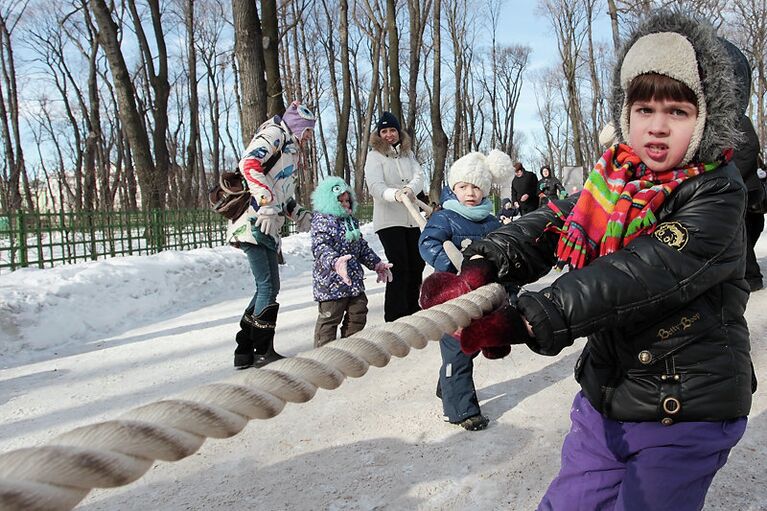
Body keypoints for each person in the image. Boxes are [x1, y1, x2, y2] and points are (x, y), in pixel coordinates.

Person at [421, 11, 754, 510]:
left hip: (683, 408)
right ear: (625, 113)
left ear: (706, 118)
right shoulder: (613, 180)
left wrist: (528, 319)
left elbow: (642, 272)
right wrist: (485, 263)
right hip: (607, 394)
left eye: (679, 111)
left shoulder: (717, 192)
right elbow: (555, 222)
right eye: (644, 109)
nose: (657, 127)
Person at [418, 150, 511, 431]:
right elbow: (428, 244)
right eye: (463, 186)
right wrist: (452, 264)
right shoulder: (444, 218)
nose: (470, 193)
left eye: (476, 187)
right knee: (458, 350)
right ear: (453, 187)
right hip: (452, 296)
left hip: (481, 299)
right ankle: (461, 410)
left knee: (471, 346)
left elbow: (503, 254)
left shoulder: (491, 222)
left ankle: (447, 386)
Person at [227, 100, 315, 369]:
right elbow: (249, 163)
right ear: (297, 126)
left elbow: (282, 193)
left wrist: (298, 213)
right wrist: (265, 202)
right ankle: (261, 348)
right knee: (267, 287)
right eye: (308, 131)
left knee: (269, 287)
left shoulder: (290, 149)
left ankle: (245, 348)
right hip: (254, 220)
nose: (309, 137)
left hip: (269, 224)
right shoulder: (275, 134)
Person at [310, 176, 392, 347]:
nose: (346, 204)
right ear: (328, 201)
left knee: (359, 310)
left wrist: (376, 264)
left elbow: (361, 247)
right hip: (331, 283)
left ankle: (351, 345)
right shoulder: (322, 222)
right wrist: (335, 262)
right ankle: (322, 353)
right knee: (330, 318)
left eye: (348, 200)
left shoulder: (351, 222)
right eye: (341, 201)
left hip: (353, 281)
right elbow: (320, 248)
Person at [364, 111, 426, 322]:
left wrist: (410, 189)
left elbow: (419, 176)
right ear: (379, 135)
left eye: (392, 130)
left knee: (417, 263)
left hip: (411, 219)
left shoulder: (408, 155)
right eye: (384, 131)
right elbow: (375, 186)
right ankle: (395, 314)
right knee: (399, 265)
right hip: (389, 220)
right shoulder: (374, 157)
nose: (389, 134)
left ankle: (412, 307)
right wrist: (395, 194)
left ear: (399, 132)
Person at [721, 37, 765, 292]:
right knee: (742, 236)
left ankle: (751, 277)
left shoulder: (741, 123)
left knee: (746, 234)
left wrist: (730, 172)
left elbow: (748, 151)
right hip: (740, 187)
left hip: (745, 189)